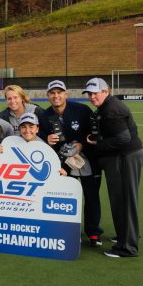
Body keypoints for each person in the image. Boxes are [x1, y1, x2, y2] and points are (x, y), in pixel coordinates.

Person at [84, 77, 143, 258]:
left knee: (123, 201)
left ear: (106, 91)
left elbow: (123, 138)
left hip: (124, 158)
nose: (92, 97)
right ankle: (126, 236)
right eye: (89, 94)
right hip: (124, 157)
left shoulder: (111, 109)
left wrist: (98, 144)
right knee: (124, 200)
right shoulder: (108, 106)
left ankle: (127, 247)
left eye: (95, 93)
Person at [43, 80, 103, 246]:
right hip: (63, 163)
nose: (56, 96)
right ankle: (68, 231)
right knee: (65, 197)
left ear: (66, 94)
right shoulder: (45, 115)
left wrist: (82, 144)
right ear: (48, 95)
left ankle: (93, 233)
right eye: (52, 93)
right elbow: (39, 136)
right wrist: (46, 139)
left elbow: (94, 132)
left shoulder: (82, 110)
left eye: (59, 92)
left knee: (91, 195)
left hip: (88, 159)